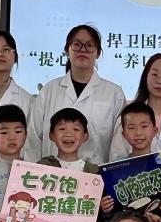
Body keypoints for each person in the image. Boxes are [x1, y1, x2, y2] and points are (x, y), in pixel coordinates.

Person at [26, 24, 125, 165]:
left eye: (89, 45)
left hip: (95, 173)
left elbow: (119, 144)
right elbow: (33, 138)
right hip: (51, 174)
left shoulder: (114, 93)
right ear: (67, 50)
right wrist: (33, 171)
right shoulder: (49, 90)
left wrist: (112, 175)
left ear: (98, 53)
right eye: (77, 44)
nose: (83, 50)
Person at [109, 53, 161, 160]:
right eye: (154, 74)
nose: (160, 81)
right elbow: (115, 159)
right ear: (145, 76)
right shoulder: (128, 116)